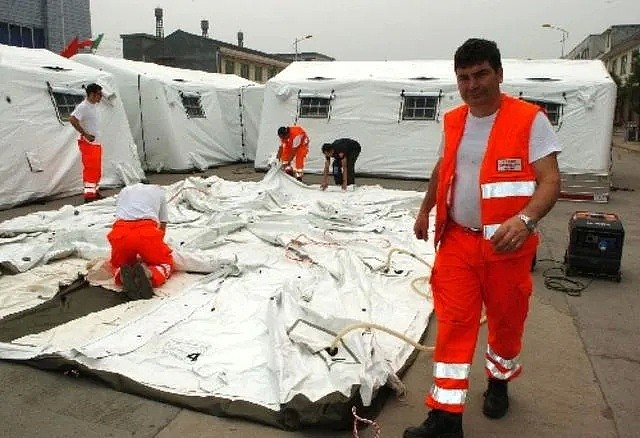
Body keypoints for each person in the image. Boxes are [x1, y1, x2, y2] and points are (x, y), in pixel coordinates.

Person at [405, 38, 561, 438]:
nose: (472, 85)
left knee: (506, 326)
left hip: (507, 249)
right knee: (454, 323)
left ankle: (498, 381)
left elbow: (550, 181)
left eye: (480, 74)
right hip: (458, 241)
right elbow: (444, 168)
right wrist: (426, 209)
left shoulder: (529, 120)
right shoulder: (455, 120)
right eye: (463, 78)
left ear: (499, 74)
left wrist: (526, 219)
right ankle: (445, 417)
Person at [107, 183, 174, 300]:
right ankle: (148, 273)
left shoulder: (124, 191)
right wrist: (156, 249)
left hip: (120, 232)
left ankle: (122, 275)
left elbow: (119, 213)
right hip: (146, 231)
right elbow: (163, 225)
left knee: (117, 264)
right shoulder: (159, 192)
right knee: (165, 263)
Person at [69, 83, 104, 203]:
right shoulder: (83, 107)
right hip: (88, 144)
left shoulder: (93, 107)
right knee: (90, 169)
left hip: (96, 143)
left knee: (97, 169)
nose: (101, 97)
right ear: (92, 94)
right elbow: (72, 119)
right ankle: (89, 195)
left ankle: (95, 191)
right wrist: (85, 134)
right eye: (99, 94)